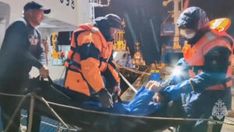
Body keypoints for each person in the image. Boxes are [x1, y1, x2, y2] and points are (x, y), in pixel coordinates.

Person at [157, 7, 233, 132]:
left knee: (206, 129)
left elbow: (214, 75)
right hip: (196, 93)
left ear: (200, 29)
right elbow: (184, 65)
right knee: (185, 126)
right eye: (183, 32)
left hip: (216, 97)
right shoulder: (194, 41)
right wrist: (165, 85)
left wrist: (174, 90)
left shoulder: (219, 44)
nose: (186, 36)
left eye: (189, 32)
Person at [0, 1, 50, 131]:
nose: (43, 16)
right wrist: (39, 65)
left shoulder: (36, 33)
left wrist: (43, 64)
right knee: (12, 118)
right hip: (7, 81)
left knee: (37, 107)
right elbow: (18, 51)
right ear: (30, 12)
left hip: (22, 80)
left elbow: (40, 53)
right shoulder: (18, 26)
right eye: (41, 12)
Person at [64, 14, 123, 108]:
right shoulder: (90, 37)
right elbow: (89, 67)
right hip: (77, 84)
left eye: (116, 30)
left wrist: (115, 84)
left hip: (90, 83)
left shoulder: (106, 40)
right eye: (114, 29)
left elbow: (107, 64)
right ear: (107, 26)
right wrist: (101, 91)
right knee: (81, 115)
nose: (114, 33)